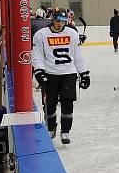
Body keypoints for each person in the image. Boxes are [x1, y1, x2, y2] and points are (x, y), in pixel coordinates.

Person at [32, 9, 89, 145]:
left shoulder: (72, 33)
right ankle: (51, 128)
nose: (60, 24)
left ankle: (65, 131)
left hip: (68, 73)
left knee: (67, 103)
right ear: (52, 19)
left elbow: (77, 55)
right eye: (58, 21)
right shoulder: (41, 35)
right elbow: (38, 55)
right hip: (50, 74)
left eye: (63, 22)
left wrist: (84, 73)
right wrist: (39, 71)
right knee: (50, 104)